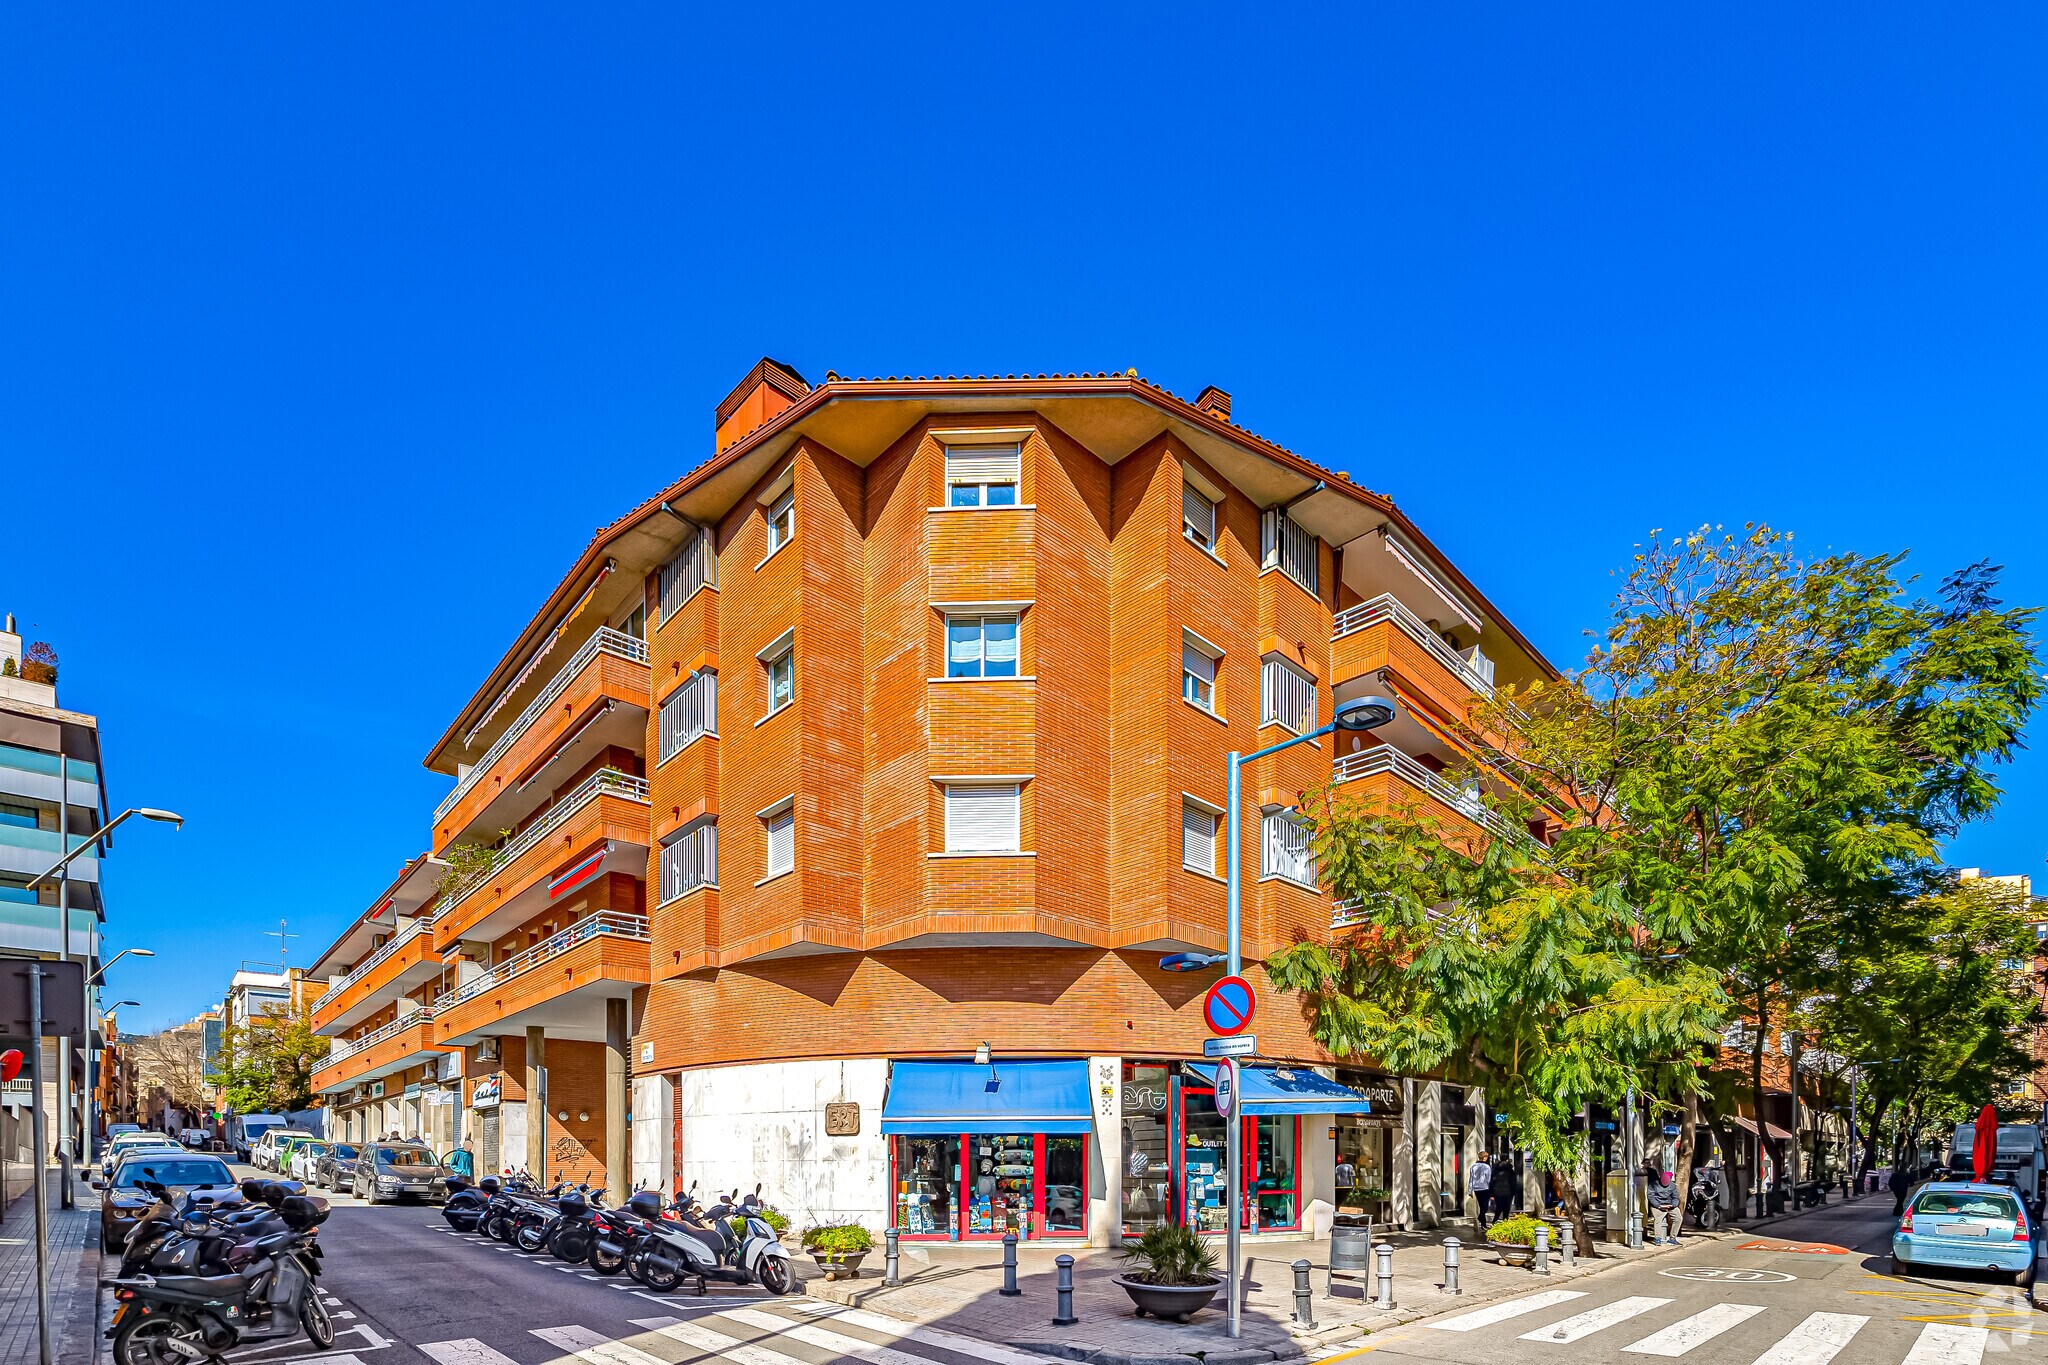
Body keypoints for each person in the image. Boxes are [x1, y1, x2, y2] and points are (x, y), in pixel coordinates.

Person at [1646, 1161, 1678, 1244]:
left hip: (1670, 1204)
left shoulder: (1673, 1186)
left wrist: (1673, 1205)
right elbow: (1650, 1196)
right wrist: (1657, 1205)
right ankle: (1658, 1238)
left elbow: (1675, 1197)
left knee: (1678, 1218)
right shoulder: (1653, 1184)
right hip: (1657, 1204)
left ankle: (1672, 1238)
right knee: (1658, 1220)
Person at [1469, 1151, 1494, 1230]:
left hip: (1477, 1189)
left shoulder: (1473, 1167)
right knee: (1485, 1207)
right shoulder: (1486, 1167)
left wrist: (1470, 1190)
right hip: (1485, 1188)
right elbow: (1489, 1179)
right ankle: (1480, 1219)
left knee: (1482, 1206)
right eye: (1486, 1157)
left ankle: (1483, 1225)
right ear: (1484, 1157)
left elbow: (1471, 1179)